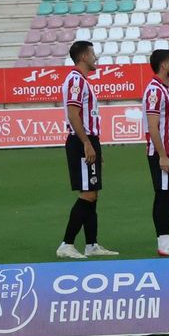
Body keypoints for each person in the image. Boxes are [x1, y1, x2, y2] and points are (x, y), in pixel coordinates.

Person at [56, 40, 117, 259]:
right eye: (92, 53)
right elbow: (73, 115)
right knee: (88, 194)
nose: (95, 57)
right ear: (83, 57)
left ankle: (91, 244)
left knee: (93, 193)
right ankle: (67, 244)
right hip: (80, 140)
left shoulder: (82, 80)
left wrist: (94, 145)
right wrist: (86, 143)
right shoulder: (75, 80)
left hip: (89, 139)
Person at [142, 48, 169, 257]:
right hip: (162, 153)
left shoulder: (166, 88)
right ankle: (163, 243)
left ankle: (166, 242)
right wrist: (162, 155)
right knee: (163, 195)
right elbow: (153, 127)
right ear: (163, 65)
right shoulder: (155, 90)